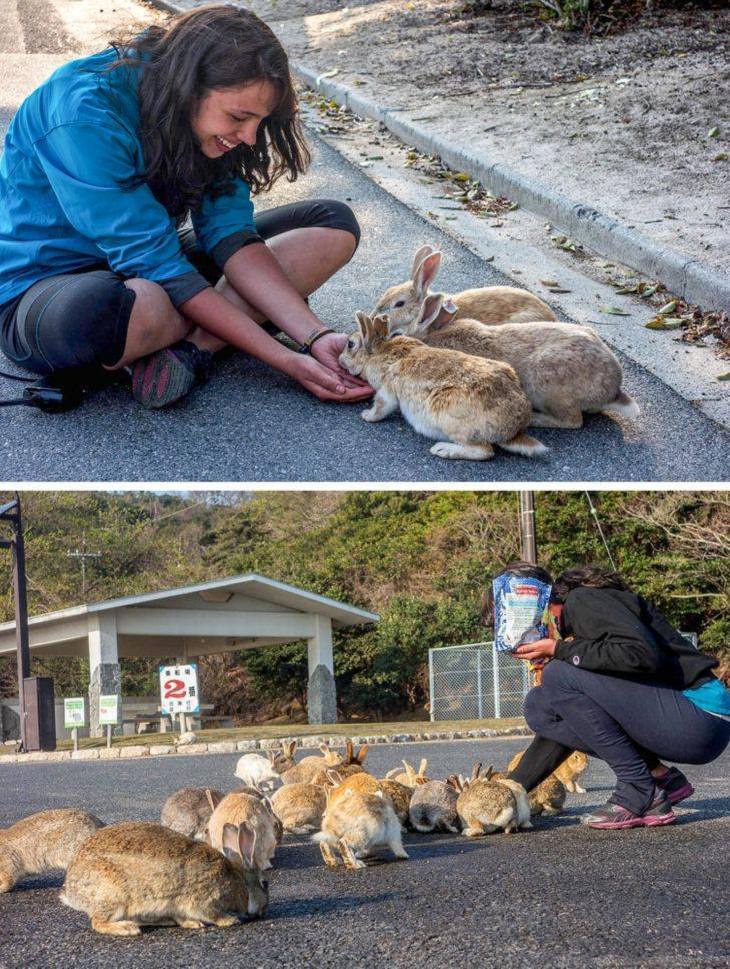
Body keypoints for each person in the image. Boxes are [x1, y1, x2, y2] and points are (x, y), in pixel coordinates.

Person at [0, 5, 372, 409]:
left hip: (158, 268)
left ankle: (193, 349)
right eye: (239, 117)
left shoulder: (205, 118)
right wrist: (287, 359)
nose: (250, 137)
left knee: (331, 225)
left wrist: (314, 337)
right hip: (47, 290)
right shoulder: (82, 111)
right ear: (189, 85)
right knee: (114, 306)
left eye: (259, 122)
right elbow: (158, 267)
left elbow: (229, 234)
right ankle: (231, 316)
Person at [497, 564, 730, 830]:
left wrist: (560, 648)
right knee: (542, 705)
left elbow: (640, 654)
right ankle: (658, 777)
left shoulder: (582, 599)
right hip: (690, 721)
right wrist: (509, 791)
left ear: (544, 603)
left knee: (558, 675)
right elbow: (570, 720)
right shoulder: (587, 608)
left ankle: (640, 790)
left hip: (700, 715)